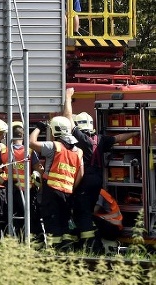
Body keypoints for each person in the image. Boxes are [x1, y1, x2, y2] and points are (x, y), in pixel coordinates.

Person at [65, 87, 139, 252]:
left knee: (82, 213)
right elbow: (118, 138)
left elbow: (69, 120)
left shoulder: (82, 140)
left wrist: (68, 99)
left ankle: (91, 246)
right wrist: (135, 132)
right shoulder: (100, 139)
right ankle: (92, 243)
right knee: (88, 211)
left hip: (85, 178)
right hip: (98, 180)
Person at [29, 116, 84, 251]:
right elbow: (80, 174)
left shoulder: (54, 146)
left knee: (52, 220)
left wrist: (39, 128)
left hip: (51, 190)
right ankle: (66, 248)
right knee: (64, 221)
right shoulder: (78, 151)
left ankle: (55, 250)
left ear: (54, 131)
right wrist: (70, 187)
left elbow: (31, 143)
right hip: (68, 192)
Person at [1, 121, 44, 240]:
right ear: (23, 135)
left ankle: (14, 242)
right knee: (31, 218)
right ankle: (34, 242)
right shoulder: (29, 152)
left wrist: (4, 182)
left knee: (12, 217)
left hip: (11, 191)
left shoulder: (4, 152)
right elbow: (39, 170)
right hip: (28, 192)